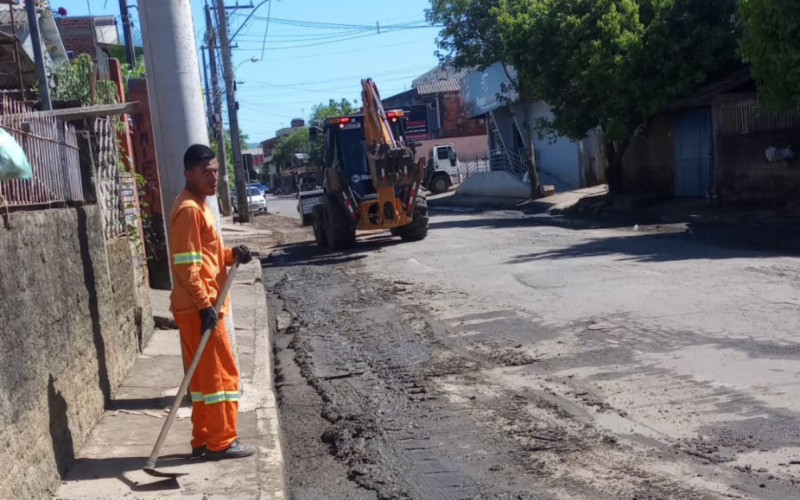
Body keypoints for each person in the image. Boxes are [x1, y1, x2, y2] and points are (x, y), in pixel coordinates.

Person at [169, 144, 255, 460]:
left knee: (204, 381)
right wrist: (206, 305)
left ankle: (203, 440)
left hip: (195, 304)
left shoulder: (199, 205)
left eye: (216, 170)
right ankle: (222, 442)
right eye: (205, 172)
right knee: (221, 377)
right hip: (200, 306)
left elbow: (207, 256)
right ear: (188, 173)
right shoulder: (190, 209)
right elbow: (187, 264)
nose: (213, 176)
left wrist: (233, 256)